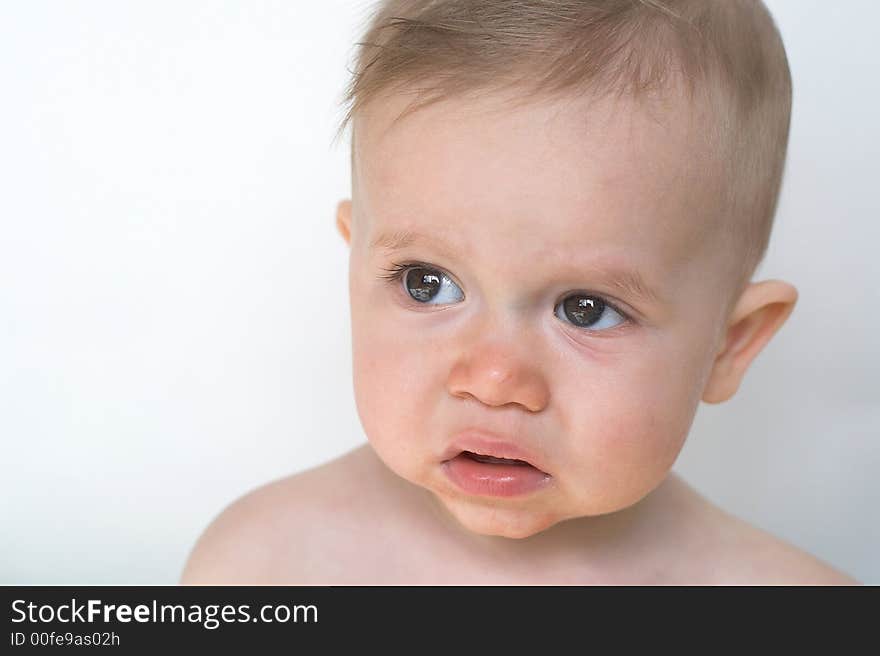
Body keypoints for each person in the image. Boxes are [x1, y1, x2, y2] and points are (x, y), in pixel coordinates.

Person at [180, 0, 858, 584]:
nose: (496, 380)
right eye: (428, 283)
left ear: (729, 345)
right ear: (354, 266)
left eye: (585, 309)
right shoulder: (265, 567)